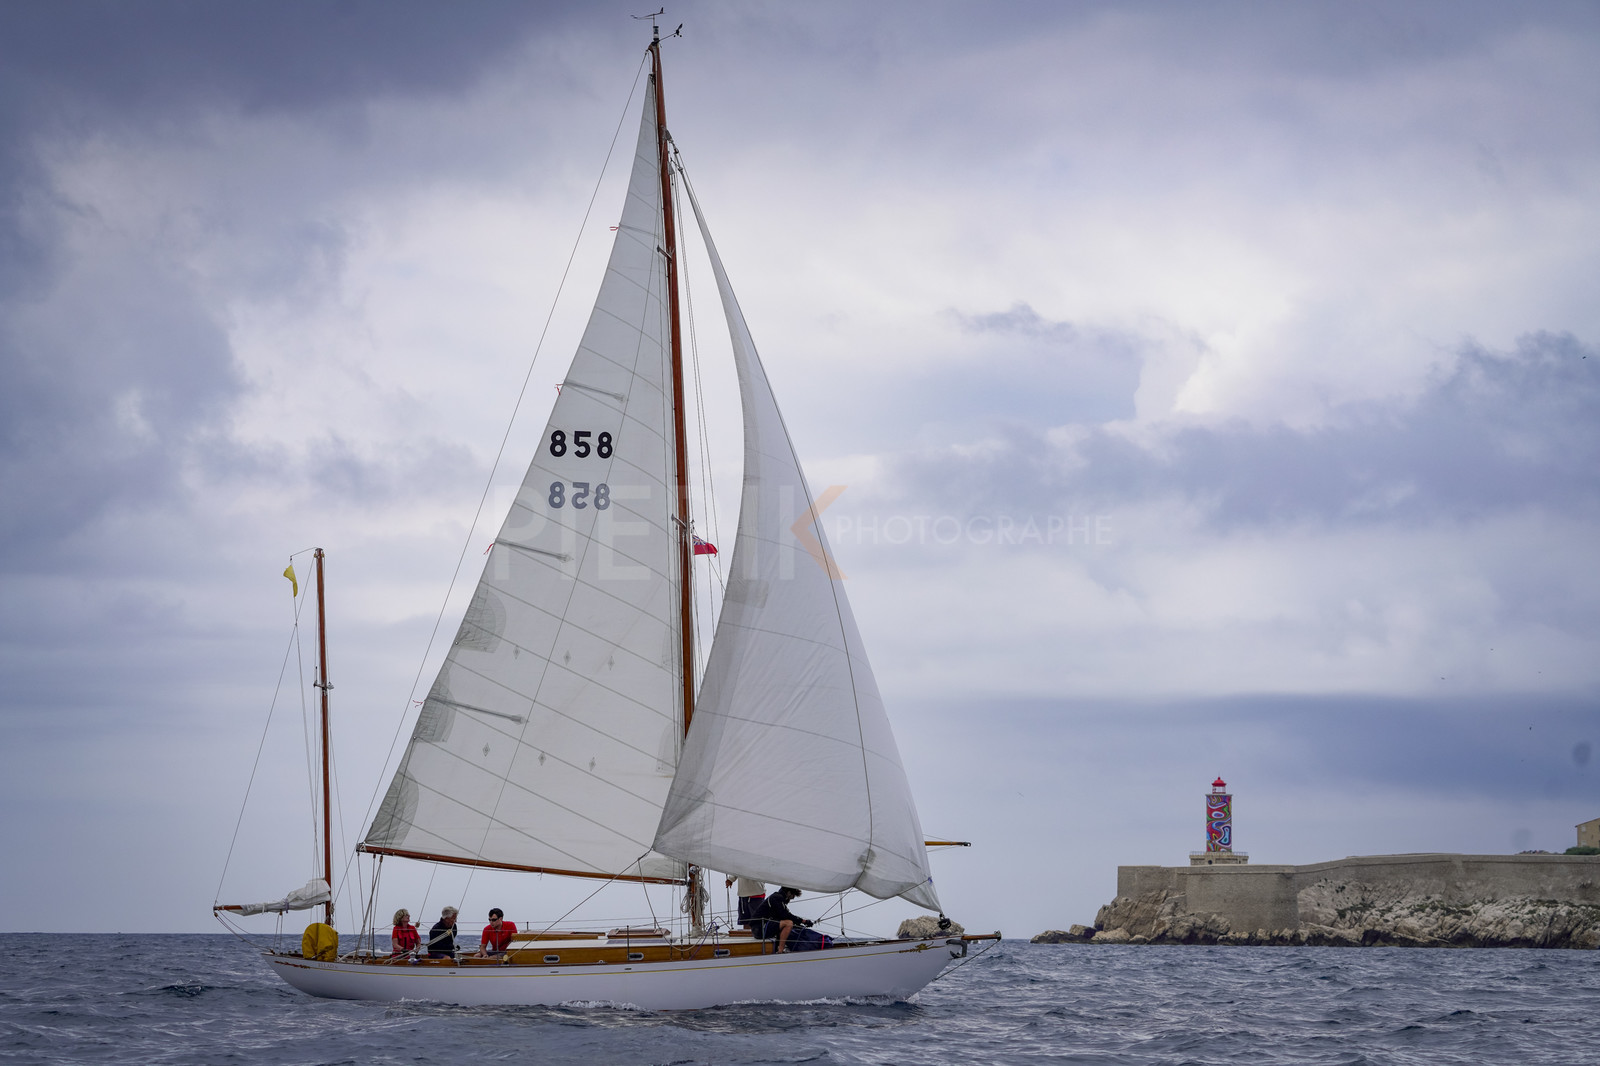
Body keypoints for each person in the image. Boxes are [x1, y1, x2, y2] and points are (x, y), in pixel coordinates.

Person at [753, 887, 810, 952]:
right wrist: (803, 921)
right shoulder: (777, 898)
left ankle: (779, 947)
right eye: (793, 895)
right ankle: (780, 950)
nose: (793, 898)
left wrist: (800, 923)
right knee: (788, 923)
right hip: (759, 929)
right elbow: (785, 915)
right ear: (788, 892)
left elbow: (784, 916)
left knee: (784, 923)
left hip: (758, 929)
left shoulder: (777, 897)